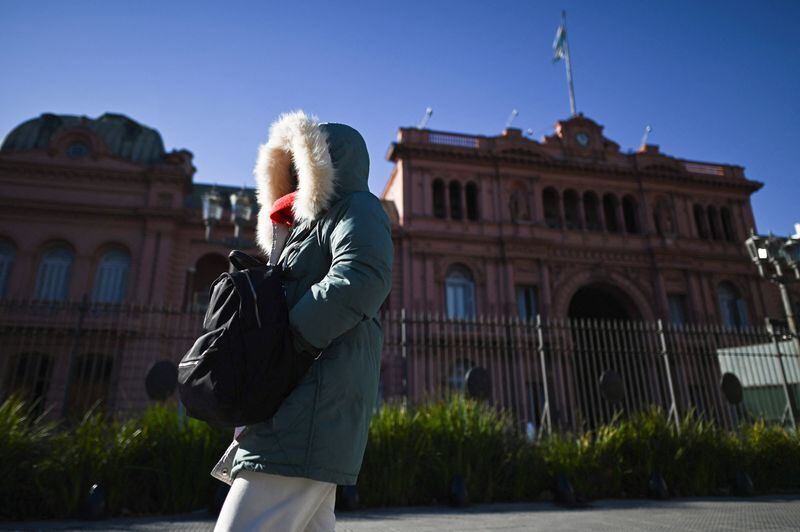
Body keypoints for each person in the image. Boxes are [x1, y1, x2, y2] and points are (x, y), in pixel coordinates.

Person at [214, 111, 393, 532]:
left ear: (326, 163)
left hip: (310, 402)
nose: (296, 174)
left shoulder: (357, 206)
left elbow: (363, 276)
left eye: (304, 162)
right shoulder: (302, 228)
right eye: (290, 164)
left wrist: (287, 339)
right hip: (299, 399)